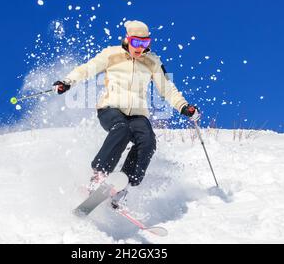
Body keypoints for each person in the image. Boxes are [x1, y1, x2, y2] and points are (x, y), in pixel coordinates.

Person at [53, 20, 200, 208]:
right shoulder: (111, 54)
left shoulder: (152, 61)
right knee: (121, 130)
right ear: (128, 39)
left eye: (145, 43)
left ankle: (122, 186)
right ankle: (99, 176)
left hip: (137, 113)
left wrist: (183, 106)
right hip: (111, 107)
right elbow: (86, 69)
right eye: (137, 43)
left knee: (147, 141)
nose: (140, 49)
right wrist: (67, 81)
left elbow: (167, 89)